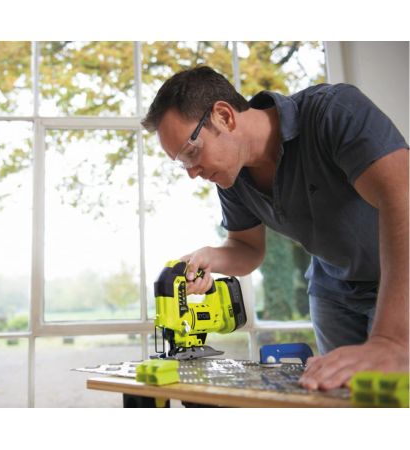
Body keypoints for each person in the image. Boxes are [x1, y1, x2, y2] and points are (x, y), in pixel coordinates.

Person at [141, 66, 409, 390]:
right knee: (343, 397)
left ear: (224, 116)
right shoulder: (232, 177)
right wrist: (209, 256)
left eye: (192, 152)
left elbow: (403, 199)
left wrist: (391, 339)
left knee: (398, 394)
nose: (192, 172)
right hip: (333, 289)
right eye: (182, 163)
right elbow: (247, 249)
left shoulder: (332, 112)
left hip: (398, 282)